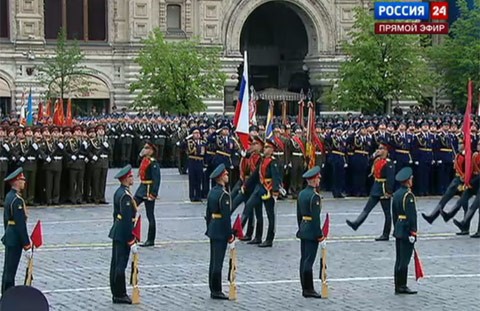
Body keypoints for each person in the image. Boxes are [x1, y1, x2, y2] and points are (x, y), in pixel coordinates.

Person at [346, 143, 395, 240]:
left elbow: (390, 178)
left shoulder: (389, 163)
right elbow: (368, 165)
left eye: (381, 149)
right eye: (379, 148)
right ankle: (356, 223)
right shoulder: (377, 160)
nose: (379, 150)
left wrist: (389, 191)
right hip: (376, 187)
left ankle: (386, 234)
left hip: (384, 188)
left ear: (386, 151)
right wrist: (373, 156)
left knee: (387, 213)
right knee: (367, 209)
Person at [109, 165, 139, 304]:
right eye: (131, 176)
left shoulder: (119, 192)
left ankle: (116, 292)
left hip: (117, 231)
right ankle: (120, 293)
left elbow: (116, 215)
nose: (133, 178)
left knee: (115, 263)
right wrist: (131, 241)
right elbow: (127, 221)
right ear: (126, 178)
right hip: (123, 233)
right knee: (120, 264)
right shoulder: (125, 197)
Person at [205, 164, 235, 300]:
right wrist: (230, 236)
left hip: (213, 227)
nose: (227, 175)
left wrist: (209, 227)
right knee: (218, 262)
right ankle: (216, 290)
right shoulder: (224, 195)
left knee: (213, 260)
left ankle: (213, 287)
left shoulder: (212, 192)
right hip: (221, 230)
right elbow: (226, 218)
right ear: (221, 177)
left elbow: (208, 213)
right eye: (226, 174)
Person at [296, 166, 326, 298]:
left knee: (303, 259)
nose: (319, 179)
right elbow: (315, 218)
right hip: (311, 232)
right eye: (318, 177)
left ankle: (304, 286)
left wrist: (301, 228)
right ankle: (308, 289)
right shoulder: (315, 197)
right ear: (314, 180)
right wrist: (319, 235)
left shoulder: (302, 194)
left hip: (303, 228)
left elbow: (299, 215)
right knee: (309, 260)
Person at [1, 168, 32, 294]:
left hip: (10, 235)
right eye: (22, 180)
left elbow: (6, 220)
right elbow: (20, 225)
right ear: (16, 182)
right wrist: (27, 245)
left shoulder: (9, 197)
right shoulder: (17, 201)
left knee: (8, 270)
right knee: (10, 271)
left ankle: (5, 294)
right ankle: (7, 296)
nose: (24, 182)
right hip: (15, 239)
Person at [392, 167, 417, 294]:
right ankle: (402, 285)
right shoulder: (408, 195)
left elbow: (394, 214)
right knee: (405, 259)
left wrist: (396, 227)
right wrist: (413, 232)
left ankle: (398, 284)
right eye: (411, 179)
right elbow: (411, 216)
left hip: (398, 227)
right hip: (406, 230)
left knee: (398, 259)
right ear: (407, 181)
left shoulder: (396, 194)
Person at [135, 142, 161, 247]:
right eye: (144, 148)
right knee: (132, 206)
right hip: (142, 188)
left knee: (150, 215)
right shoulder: (144, 160)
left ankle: (151, 239)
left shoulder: (153, 163)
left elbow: (157, 179)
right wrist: (140, 155)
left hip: (149, 189)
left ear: (151, 151)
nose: (144, 150)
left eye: (147, 148)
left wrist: (153, 194)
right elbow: (137, 163)